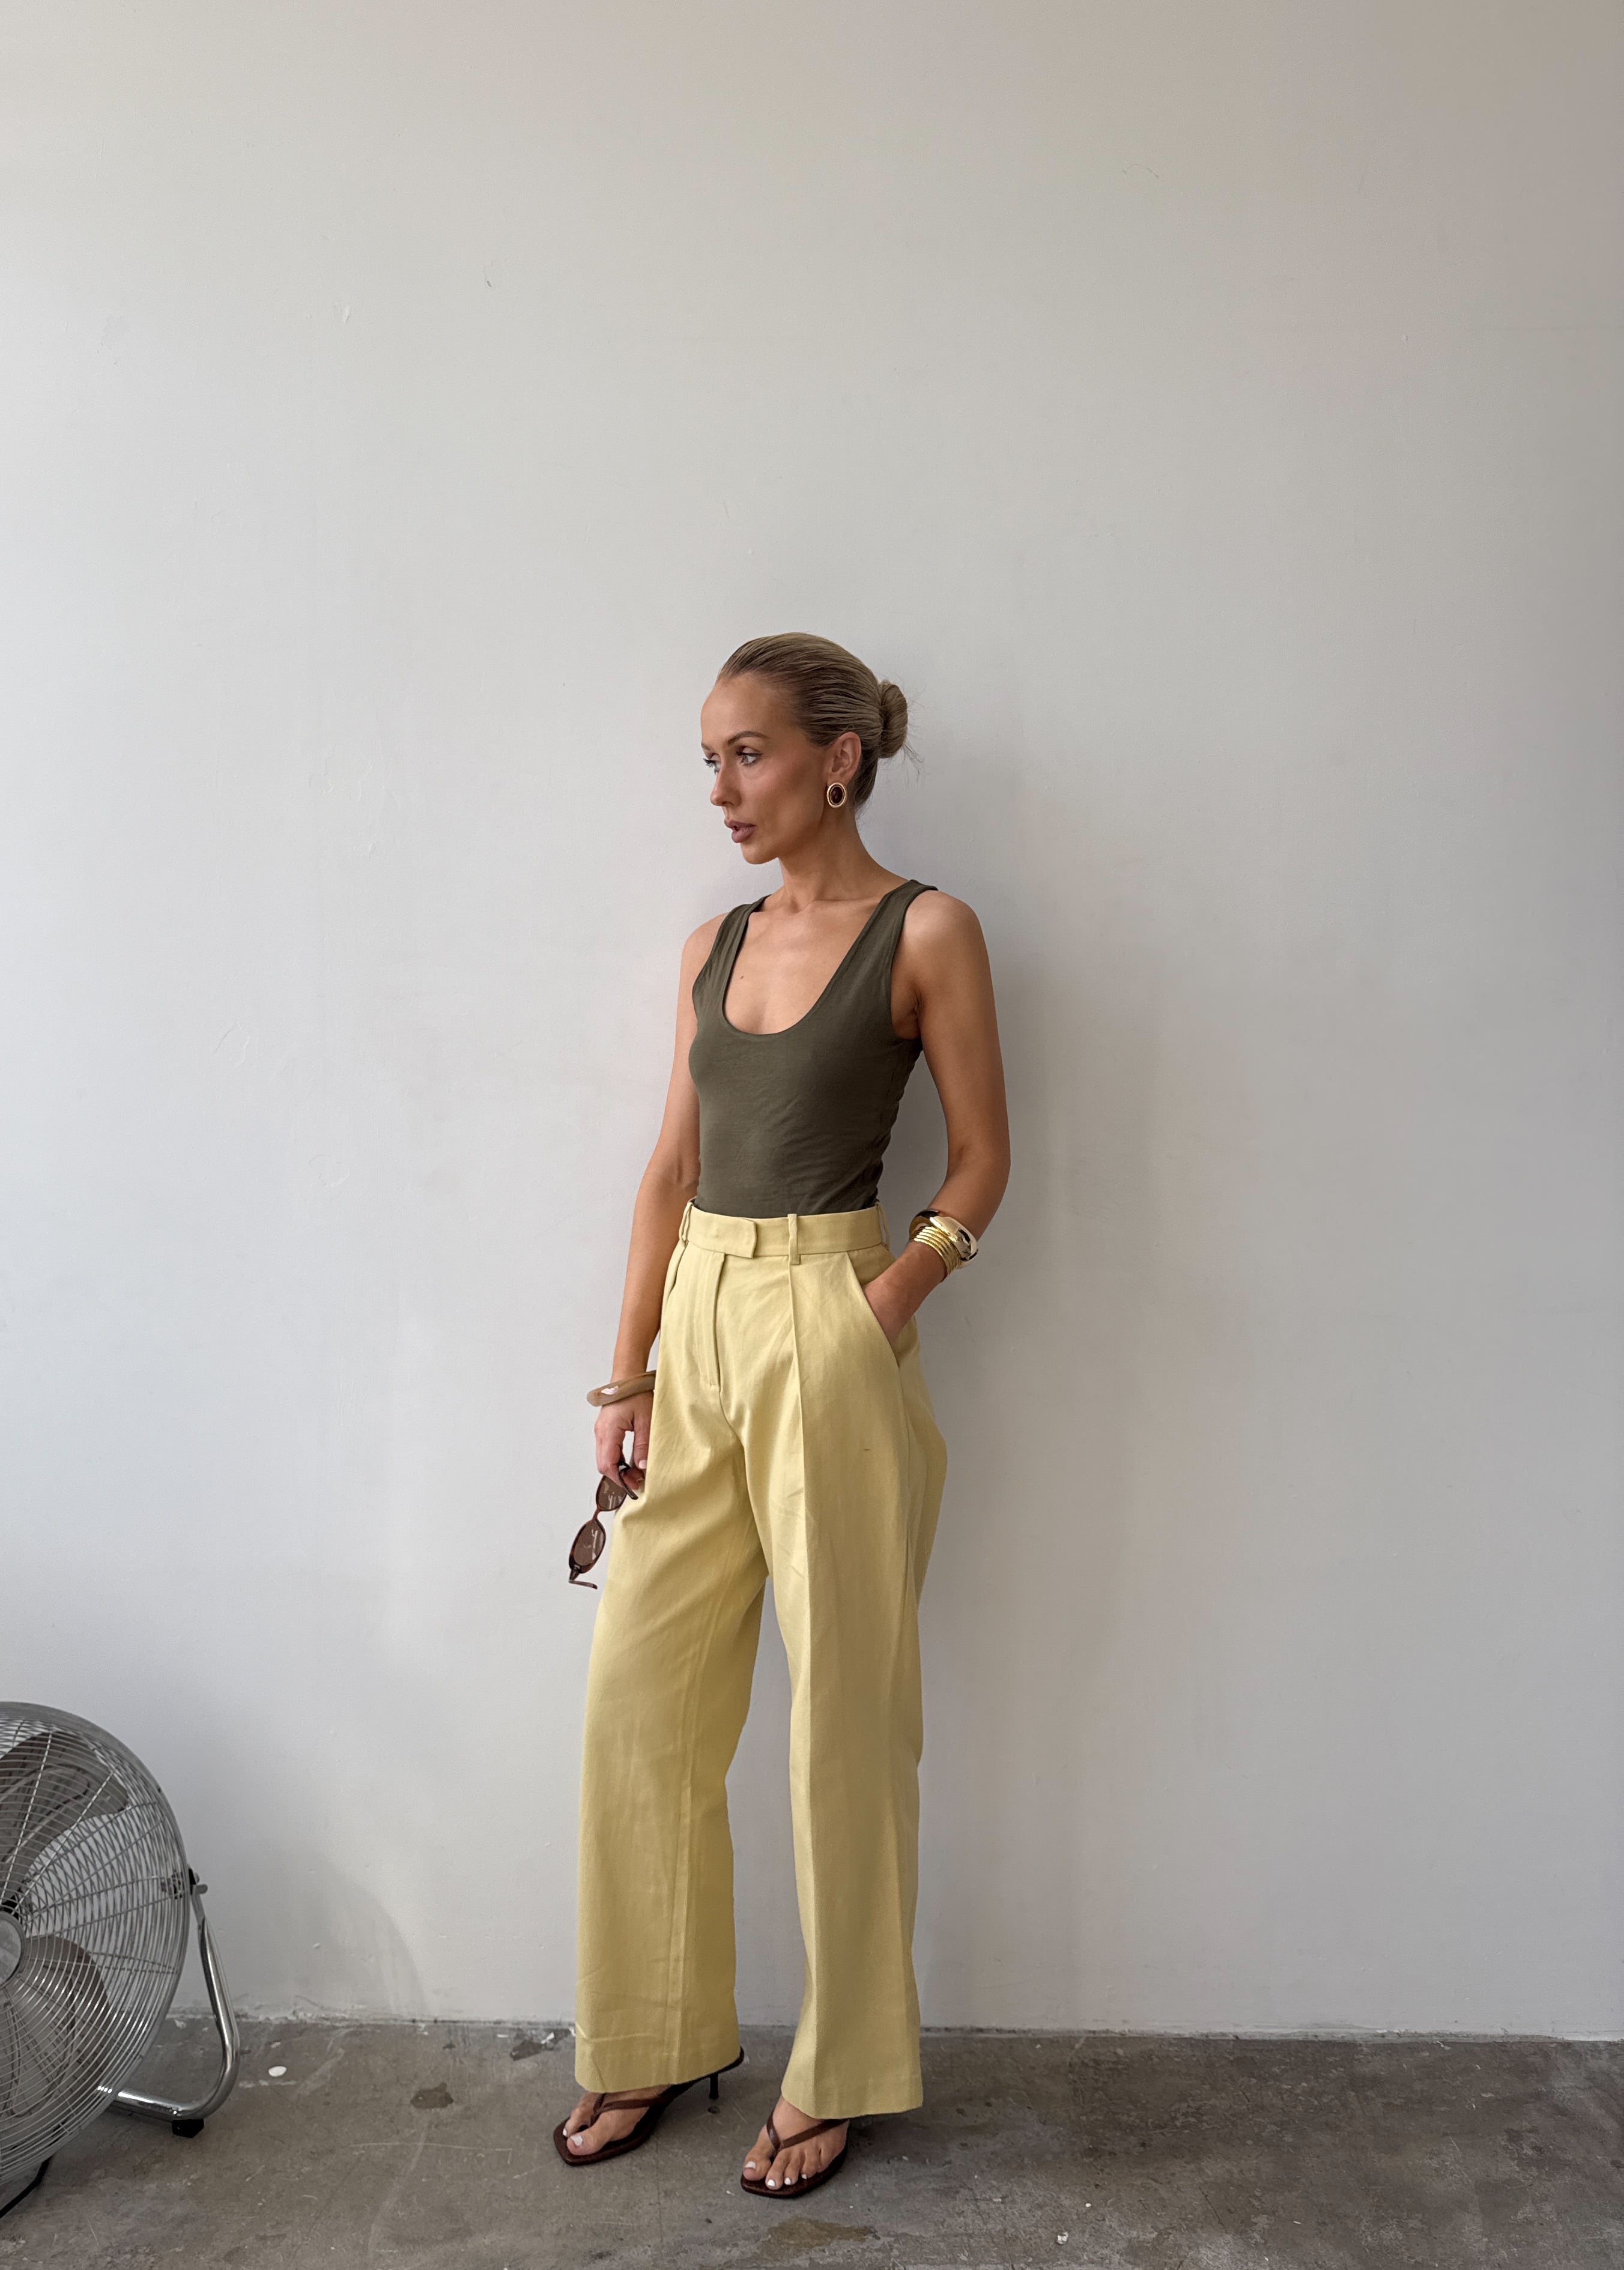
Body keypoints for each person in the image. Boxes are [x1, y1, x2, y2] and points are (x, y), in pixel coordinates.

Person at [554, 632, 1010, 2200]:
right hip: (700, 1320)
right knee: (641, 1696)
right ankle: (656, 2022)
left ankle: (848, 2063)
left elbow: (980, 1164)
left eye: (746, 754)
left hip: (832, 1312)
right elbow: (670, 1176)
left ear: (837, 757)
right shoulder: (711, 944)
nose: (721, 791)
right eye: (707, 760)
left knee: (844, 1725)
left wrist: (885, 1305)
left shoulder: (929, 929)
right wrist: (626, 1378)